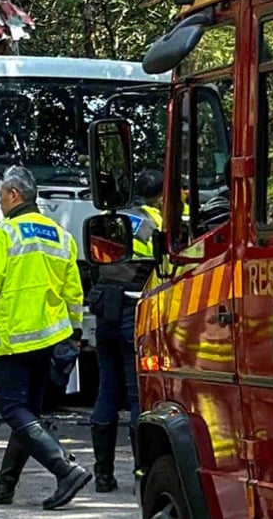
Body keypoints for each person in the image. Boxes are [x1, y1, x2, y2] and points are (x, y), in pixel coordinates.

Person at [0, 166, 90, 510]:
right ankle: (4, 487)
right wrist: (73, 334)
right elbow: (73, 293)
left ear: (13, 195)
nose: (1, 203)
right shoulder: (60, 235)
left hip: (13, 337)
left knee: (13, 411)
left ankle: (65, 468)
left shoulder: (5, 234)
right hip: (51, 338)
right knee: (28, 413)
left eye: (1, 196)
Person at [89, 168, 161, 492]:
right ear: (161, 193)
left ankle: (103, 476)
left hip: (106, 308)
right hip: (137, 308)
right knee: (136, 394)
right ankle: (141, 475)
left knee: (107, 389)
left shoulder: (111, 220)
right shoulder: (157, 222)